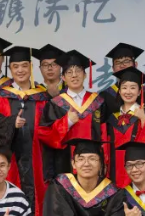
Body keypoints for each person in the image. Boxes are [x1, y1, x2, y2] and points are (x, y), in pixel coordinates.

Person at [0, 46, 51, 216]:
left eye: (24, 66)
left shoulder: (43, 97)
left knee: (37, 197)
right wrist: (10, 123)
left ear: (30, 67)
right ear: (10, 69)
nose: (20, 70)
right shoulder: (0, 96)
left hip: (37, 159)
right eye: (15, 66)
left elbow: (51, 128)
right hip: (10, 159)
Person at [38, 50, 107, 181]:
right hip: (64, 164)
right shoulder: (55, 104)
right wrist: (67, 122)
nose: (74, 75)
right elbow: (44, 134)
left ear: (85, 75)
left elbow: (105, 134)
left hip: (94, 164)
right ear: (63, 77)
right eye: (69, 72)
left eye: (78, 71)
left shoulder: (98, 102)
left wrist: (104, 161)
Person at [106, 66, 145, 188]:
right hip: (115, 169)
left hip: (138, 169)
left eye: (133, 87)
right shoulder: (112, 117)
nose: (128, 92)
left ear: (140, 92)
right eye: (124, 87)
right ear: (119, 91)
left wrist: (143, 118)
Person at [101, 43, 145, 114]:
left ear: (135, 65)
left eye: (127, 61)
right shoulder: (105, 96)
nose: (122, 65)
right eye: (118, 62)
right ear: (113, 68)